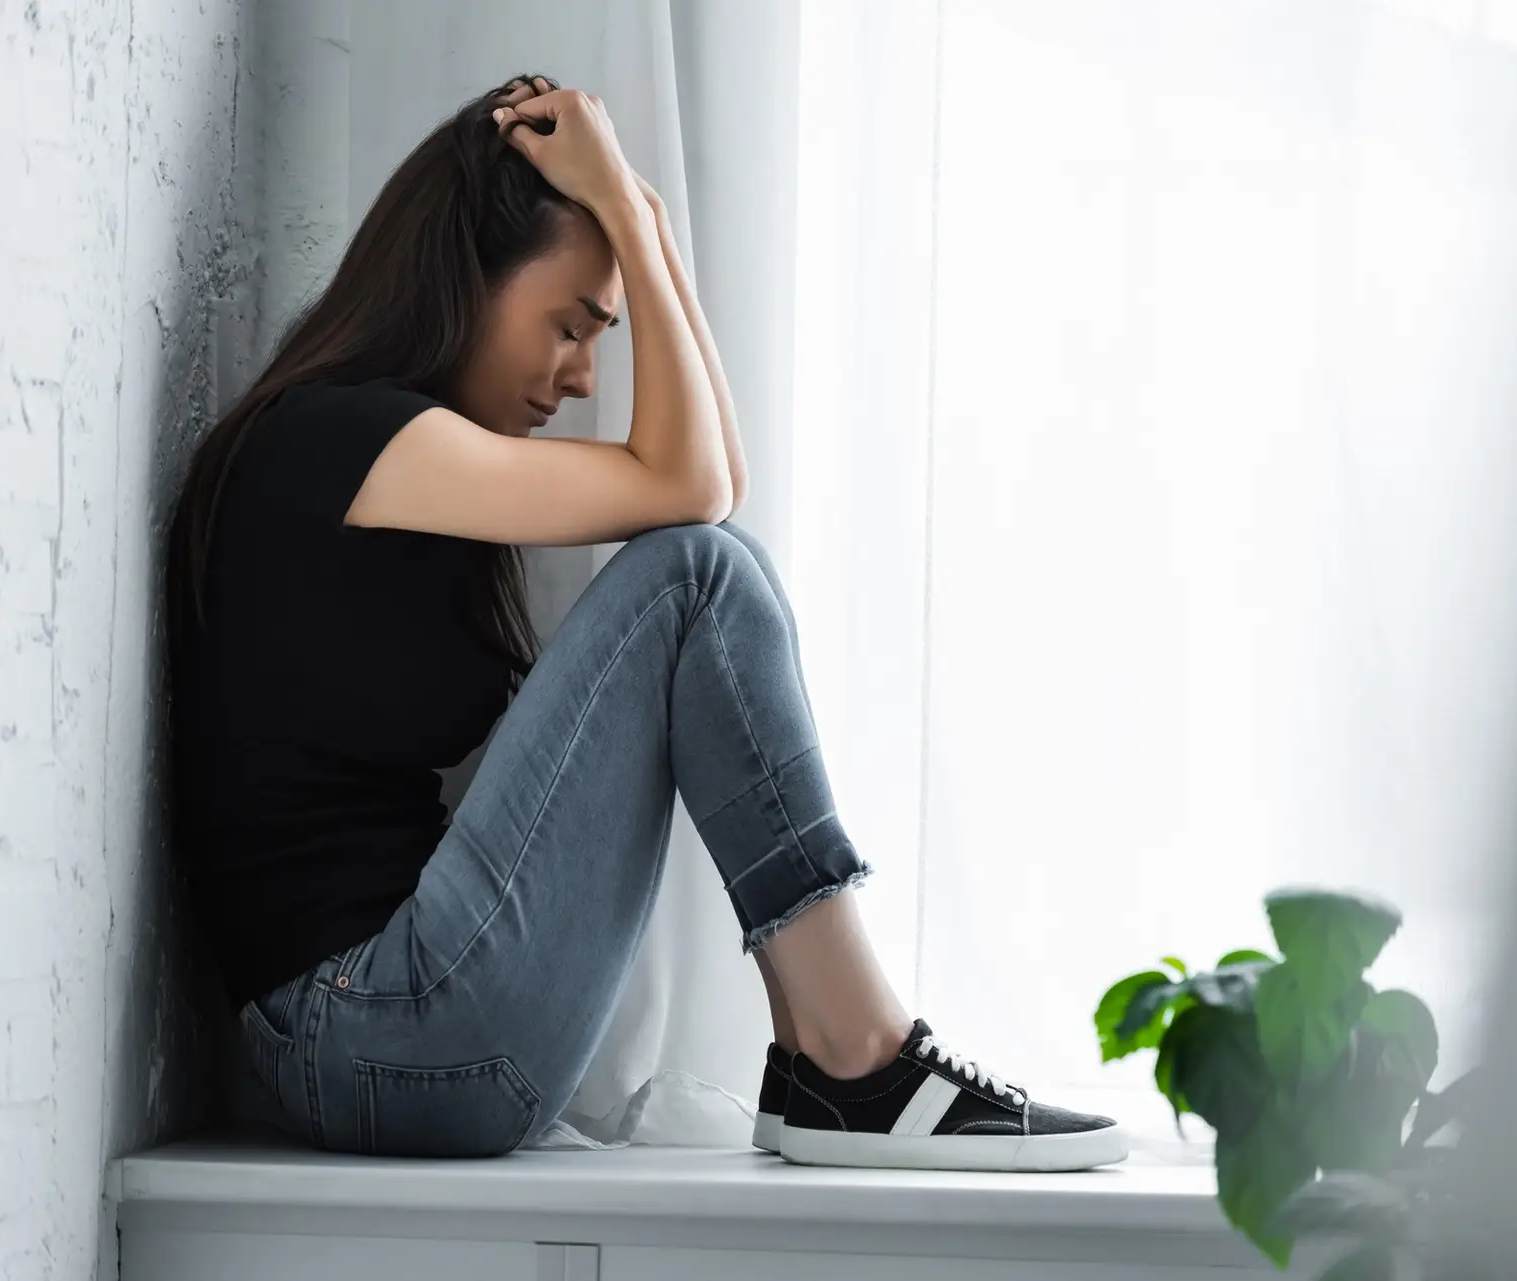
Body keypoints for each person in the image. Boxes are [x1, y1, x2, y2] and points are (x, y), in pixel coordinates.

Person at [165, 74, 1126, 1172]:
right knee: (695, 580)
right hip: (372, 1034)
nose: (581, 378)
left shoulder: (386, 459)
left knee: (709, 567)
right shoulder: (341, 441)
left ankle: (841, 1061)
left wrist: (650, 234)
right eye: (571, 328)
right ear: (466, 279)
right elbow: (696, 500)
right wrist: (620, 208)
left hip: (392, 1038)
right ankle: (856, 1058)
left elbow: (720, 478)